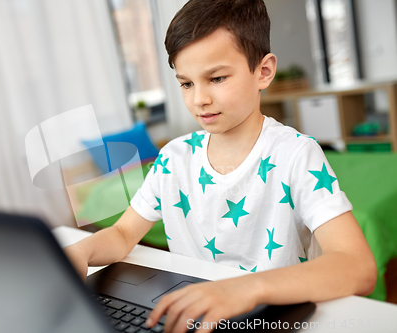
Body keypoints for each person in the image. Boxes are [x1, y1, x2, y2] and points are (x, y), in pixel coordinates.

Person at [65, 1, 377, 332]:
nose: (199, 99)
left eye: (216, 78)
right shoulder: (173, 158)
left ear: (263, 72)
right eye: (186, 83)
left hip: (267, 314)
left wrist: (246, 288)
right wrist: (81, 251)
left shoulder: (297, 155)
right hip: (194, 315)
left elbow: (358, 267)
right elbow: (123, 233)